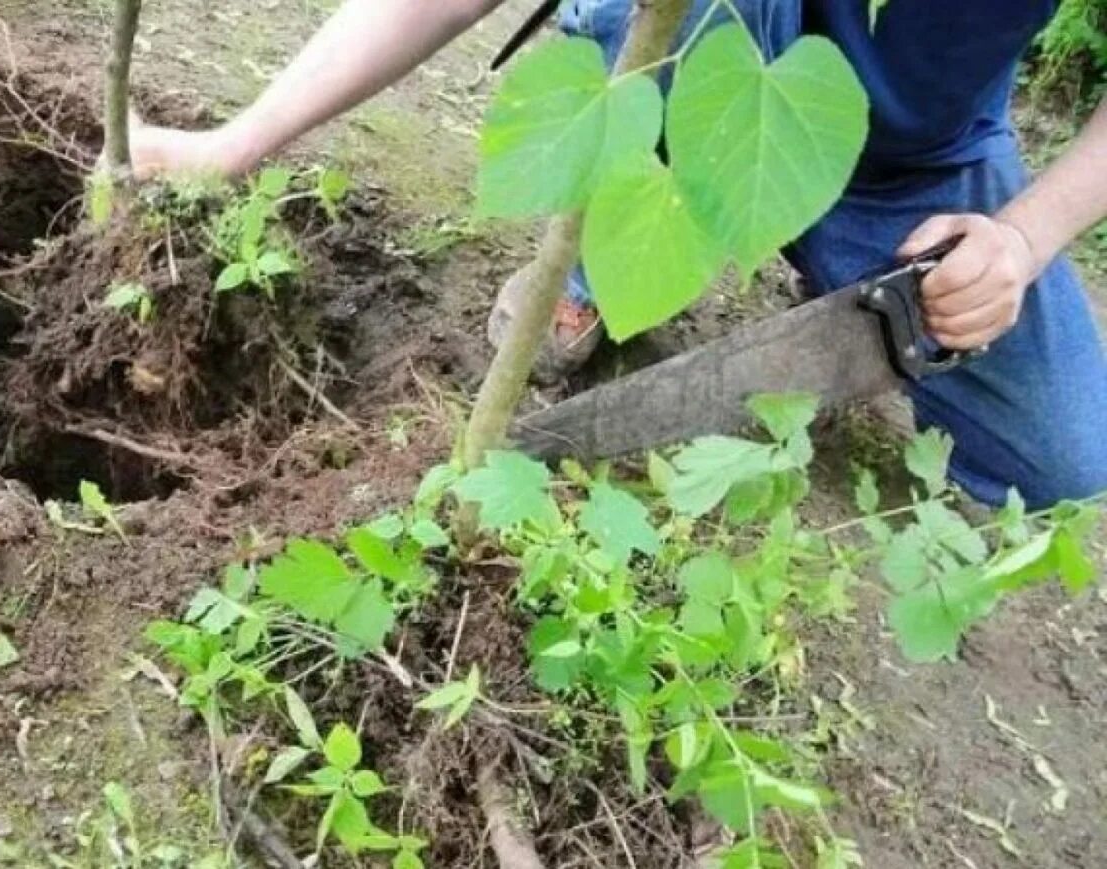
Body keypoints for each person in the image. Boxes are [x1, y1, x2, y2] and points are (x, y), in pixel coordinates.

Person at [130, 0, 1107, 509]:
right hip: (692, 67)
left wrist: (1021, 240)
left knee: (1064, 452)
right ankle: (606, 249)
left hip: (916, 164)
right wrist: (236, 141)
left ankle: (820, 245)